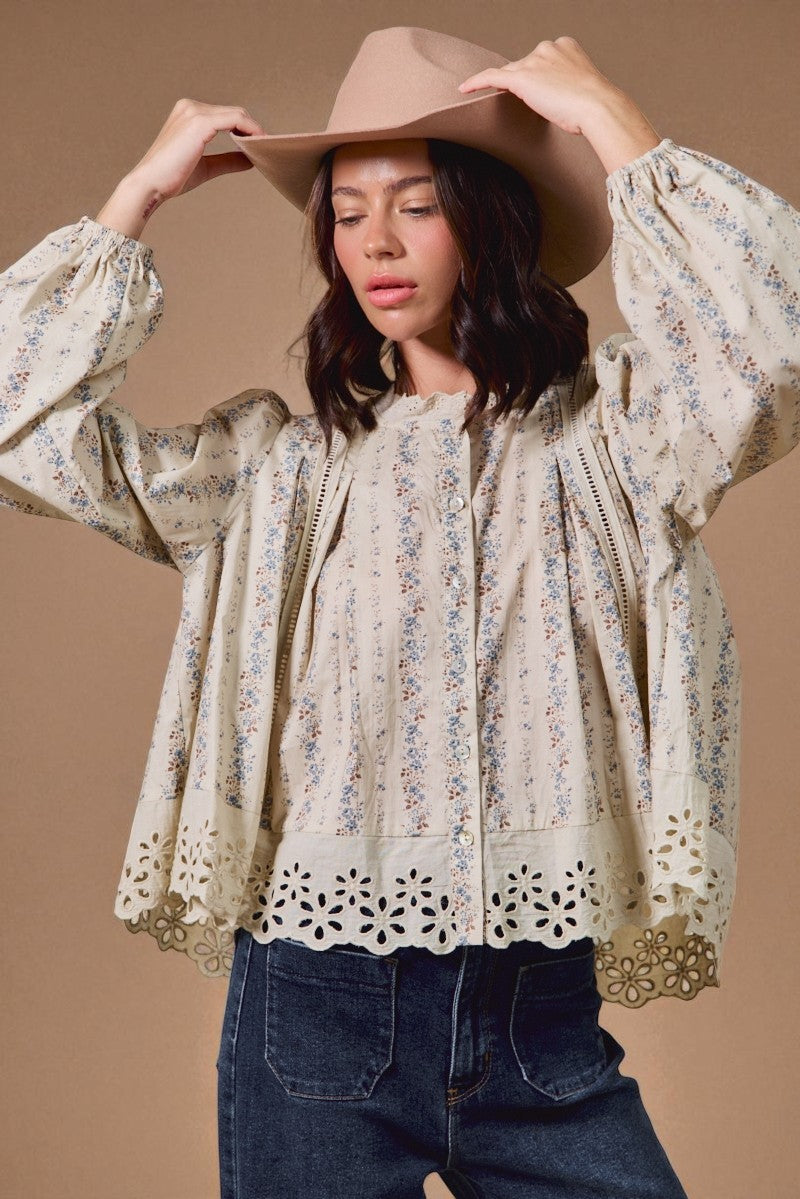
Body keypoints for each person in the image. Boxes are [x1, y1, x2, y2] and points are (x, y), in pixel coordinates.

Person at [1, 24, 798, 1199]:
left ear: (493, 216)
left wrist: (614, 123)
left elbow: (767, 351)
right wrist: (137, 195)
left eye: (416, 205)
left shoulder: (617, 444)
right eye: (345, 211)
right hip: (314, 1014)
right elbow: (23, 425)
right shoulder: (277, 468)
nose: (372, 242)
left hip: (541, 1017)